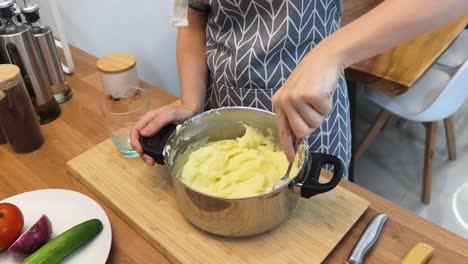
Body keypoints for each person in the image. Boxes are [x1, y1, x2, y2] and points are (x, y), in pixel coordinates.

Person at [130, 0, 468, 179]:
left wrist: (331, 52)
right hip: (223, 106)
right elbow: (192, 17)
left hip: (313, 119)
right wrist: (190, 102)